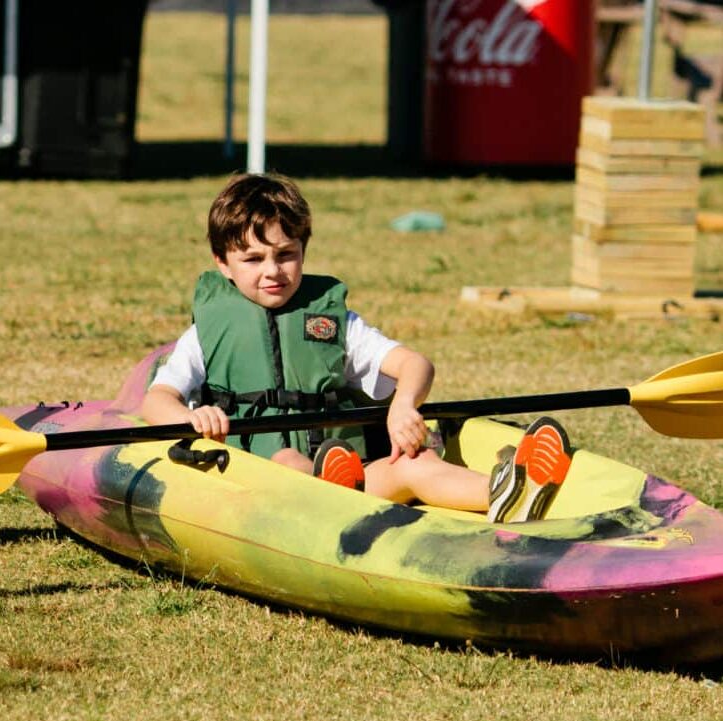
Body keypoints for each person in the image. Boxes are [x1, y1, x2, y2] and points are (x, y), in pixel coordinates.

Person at [140, 173, 572, 523]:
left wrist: (404, 404)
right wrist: (192, 417)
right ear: (223, 264)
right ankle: (335, 491)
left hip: (346, 477)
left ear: (304, 250)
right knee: (290, 459)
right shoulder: (207, 335)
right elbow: (156, 401)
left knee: (412, 462)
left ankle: (507, 491)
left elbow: (414, 364)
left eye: (286, 254)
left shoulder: (333, 323)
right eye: (253, 260)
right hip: (253, 480)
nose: (273, 271)